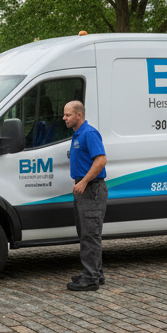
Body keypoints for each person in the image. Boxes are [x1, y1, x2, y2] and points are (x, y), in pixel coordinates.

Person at [63, 100, 108, 291]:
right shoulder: (77, 134)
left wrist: (83, 181)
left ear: (79, 115)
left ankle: (90, 280)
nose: (64, 118)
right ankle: (95, 273)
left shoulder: (89, 133)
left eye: (68, 115)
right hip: (84, 190)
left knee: (90, 235)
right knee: (86, 233)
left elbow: (101, 160)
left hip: (92, 190)